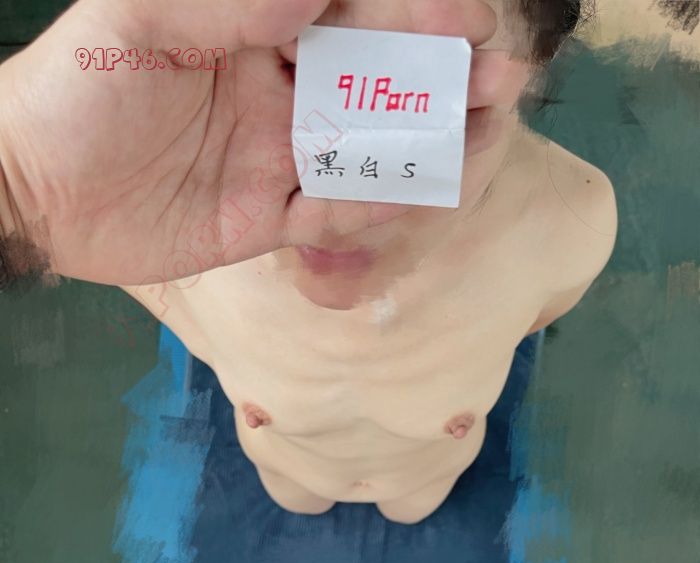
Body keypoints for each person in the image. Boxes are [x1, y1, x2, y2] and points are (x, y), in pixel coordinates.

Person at [0, 0, 617, 524]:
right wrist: (20, 176)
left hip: (426, 476)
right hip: (286, 469)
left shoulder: (568, 220)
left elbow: (538, 312)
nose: (338, 194)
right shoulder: (168, 238)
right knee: (297, 498)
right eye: (298, 75)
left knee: (414, 508)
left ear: (532, 73)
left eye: (418, 92)